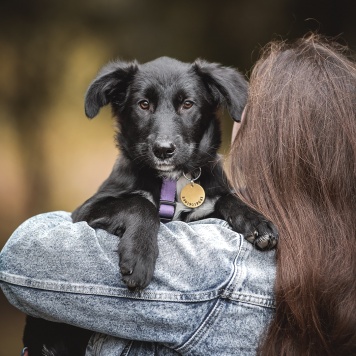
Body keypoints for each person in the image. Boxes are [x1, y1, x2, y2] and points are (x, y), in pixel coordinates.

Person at [1, 34, 356, 355]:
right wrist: (145, 208)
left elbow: (21, 258)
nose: (165, 139)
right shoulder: (328, 258)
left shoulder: (217, 265)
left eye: (187, 105)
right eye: (144, 105)